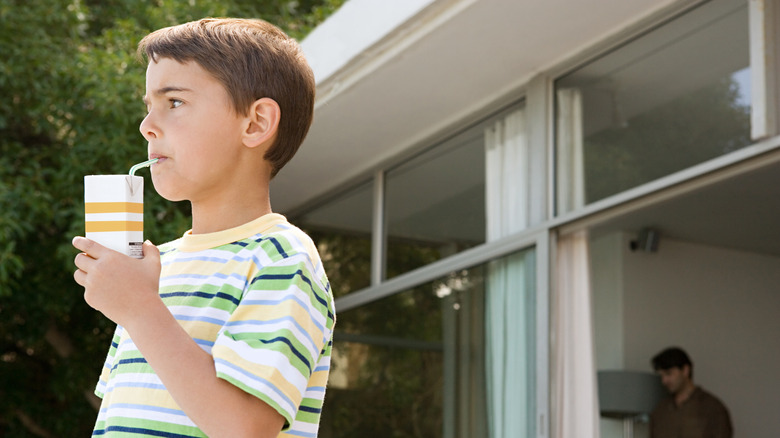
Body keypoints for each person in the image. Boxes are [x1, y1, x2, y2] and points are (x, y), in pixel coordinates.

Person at [72, 18, 335, 438]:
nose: (146, 125)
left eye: (173, 102)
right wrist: (134, 303)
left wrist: (140, 309)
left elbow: (245, 429)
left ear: (255, 124)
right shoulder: (155, 266)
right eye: (148, 106)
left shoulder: (282, 258)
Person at [650, 347, 732, 438]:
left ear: (685, 370)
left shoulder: (712, 408)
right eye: (662, 375)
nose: (664, 381)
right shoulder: (660, 411)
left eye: (669, 373)